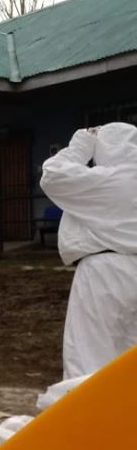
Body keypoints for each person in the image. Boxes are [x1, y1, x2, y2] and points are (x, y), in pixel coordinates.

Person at [40, 123, 137, 379]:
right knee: (130, 363)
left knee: (88, 360)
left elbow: (53, 175)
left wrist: (81, 145)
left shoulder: (107, 179)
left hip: (104, 272)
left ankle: (85, 416)